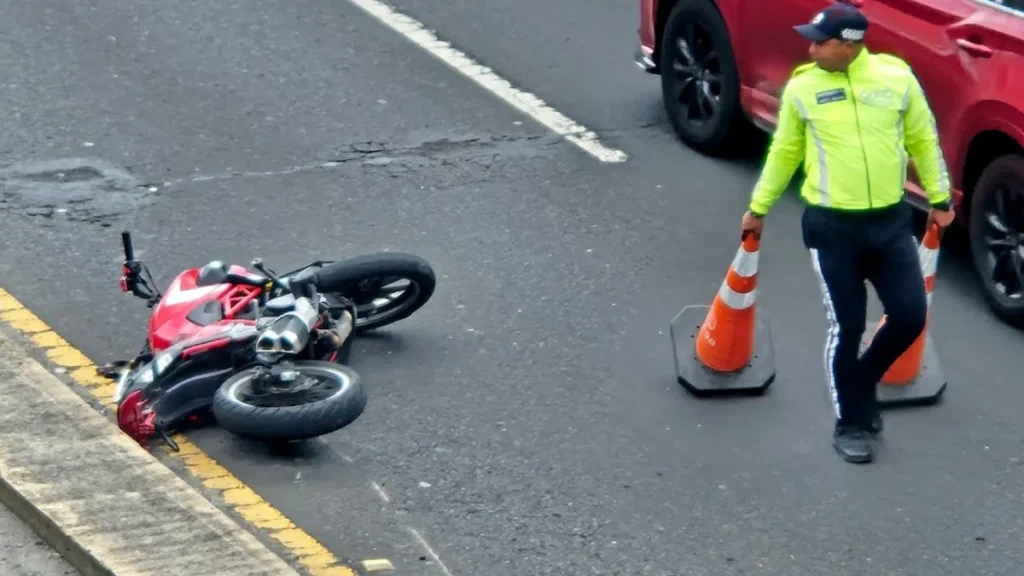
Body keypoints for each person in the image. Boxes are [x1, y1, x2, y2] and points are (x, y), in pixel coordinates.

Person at [739, 1, 956, 464]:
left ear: (849, 44)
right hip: (832, 227)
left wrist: (940, 200)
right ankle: (850, 423)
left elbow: (923, 139)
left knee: (909, 316)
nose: (811, 50)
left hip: (890, 223)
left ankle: (859, 383)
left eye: (820, 43)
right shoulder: (804, 87)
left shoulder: (896, 79)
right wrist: (759, 207)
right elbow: (785, 151)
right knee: (849, 325)